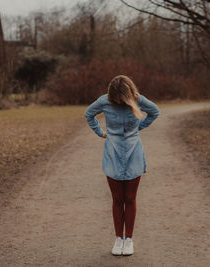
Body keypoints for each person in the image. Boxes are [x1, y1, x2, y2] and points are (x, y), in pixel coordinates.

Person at [84, 75, 160, 256]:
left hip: (134, 152)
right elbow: (89, 114)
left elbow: (155, 112)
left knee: (131, 198)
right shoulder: (104, 101)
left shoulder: (137, 99)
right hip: (113, 152)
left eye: (123, 98)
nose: (120, 101)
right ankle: (118, 239)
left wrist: (138, 128)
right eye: (117, 98)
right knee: (117, 199)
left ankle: (129, 240)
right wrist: (100, 132)